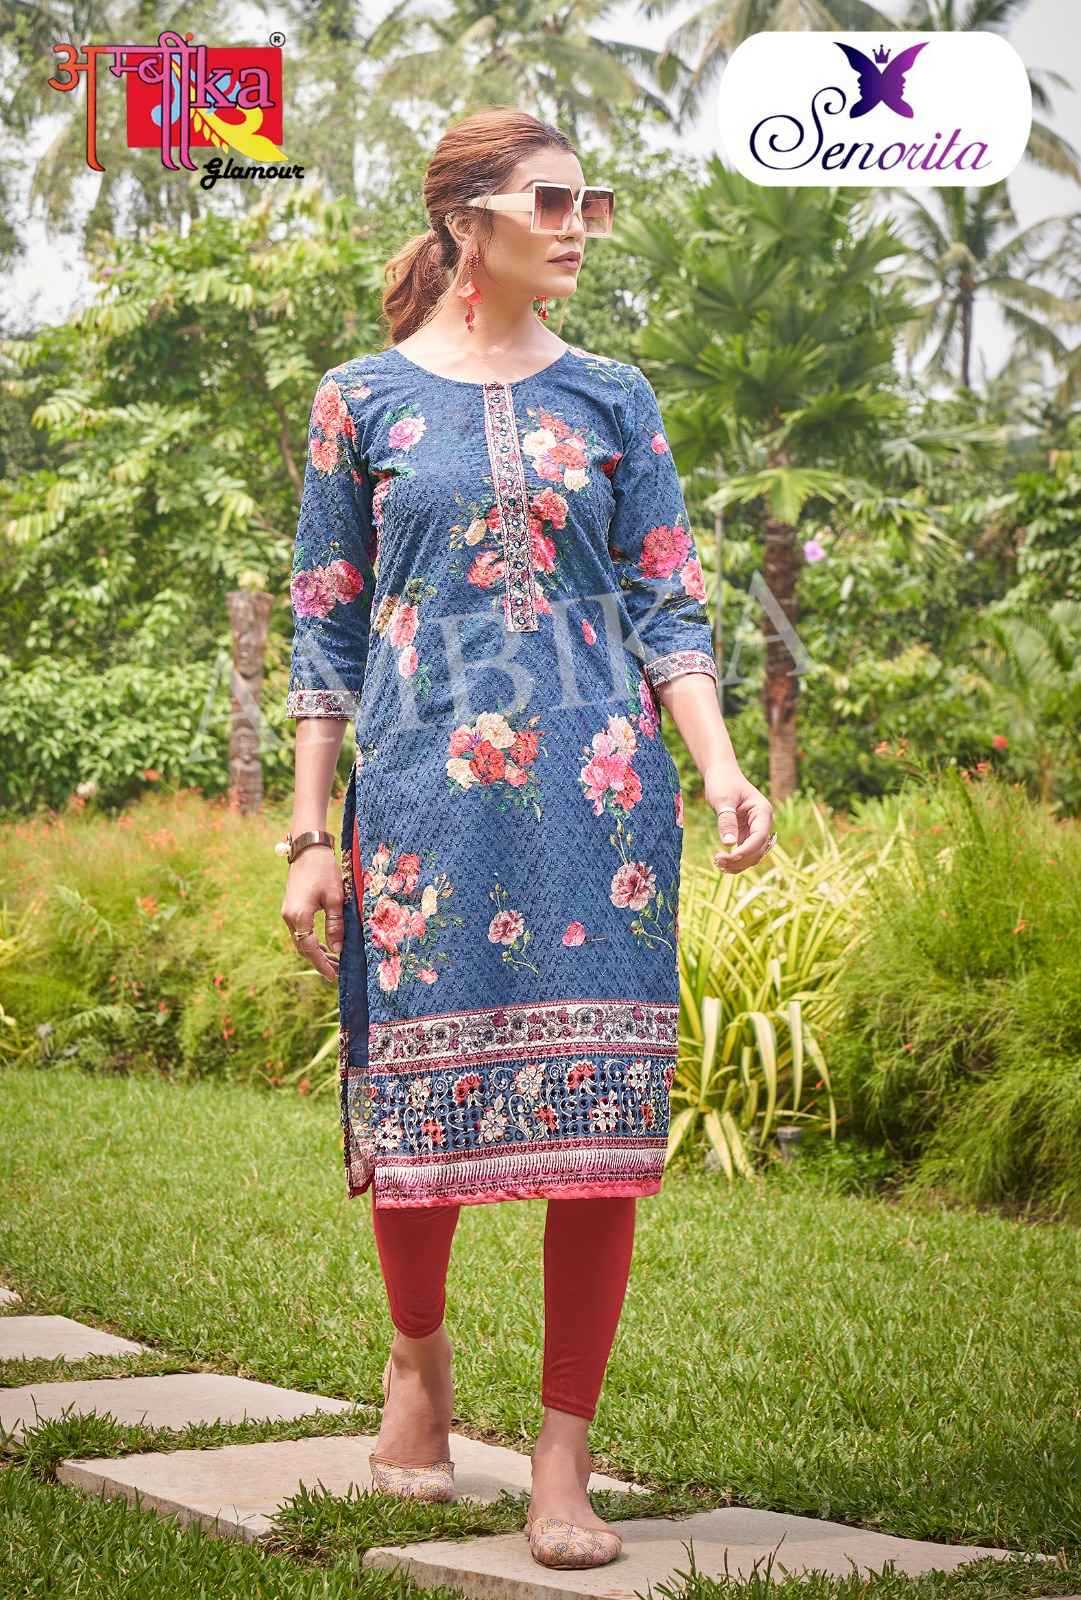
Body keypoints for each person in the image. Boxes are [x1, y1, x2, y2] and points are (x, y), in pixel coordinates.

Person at [279, 105, 775, 1570]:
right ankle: (418, 1364)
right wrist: (306, 832)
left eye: (587, 202)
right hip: (421, 797)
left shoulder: (615, 398)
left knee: (601, 1131)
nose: (579, 227)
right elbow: (325, 624)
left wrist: (721, 766)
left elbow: (669, 598)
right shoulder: (360, 400)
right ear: (466, 223)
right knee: (415, 1104)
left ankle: (563, 1458)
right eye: (553, 201)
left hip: (599, 795)